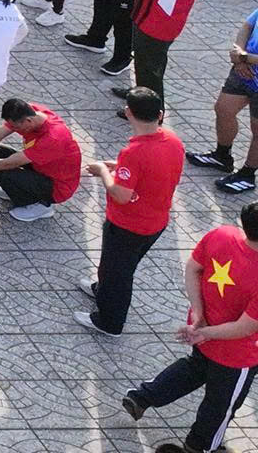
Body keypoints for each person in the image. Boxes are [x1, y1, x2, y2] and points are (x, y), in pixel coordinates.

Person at [119, 201, 258, 453]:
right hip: (237, 355)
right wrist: (205, 332)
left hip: (202, 332)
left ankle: (142, 397)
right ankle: (199, 446)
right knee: (221, 404)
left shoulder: (222, 235)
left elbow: (193, 268)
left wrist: (198, 316)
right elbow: (245, 328)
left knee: (193, 369)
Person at [81, 86, 184, 335]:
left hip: (128, 225)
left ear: (128, 112)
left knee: (118, 273)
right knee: (119, 267)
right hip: (157, 221)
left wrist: (103, 171)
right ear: (160, 114)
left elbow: (121, 195)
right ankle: (103, 290)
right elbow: (155, 168)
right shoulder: (172, 140)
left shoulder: (134, 152)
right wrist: (120, 167)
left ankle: (109, 322)